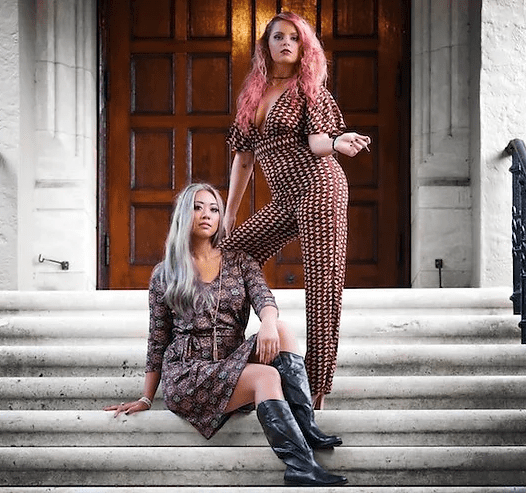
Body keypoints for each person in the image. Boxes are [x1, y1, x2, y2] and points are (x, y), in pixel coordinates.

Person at [104, 183, 347, 486]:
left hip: (231, 361)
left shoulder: (240, 261)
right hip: (189, 374)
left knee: (281, 329)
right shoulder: (165, 273)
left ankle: (306, 426)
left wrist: (268, 323)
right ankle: (300, 465)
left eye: (214, 208)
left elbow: (264, 299)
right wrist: (146, 396)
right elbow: (157, 339)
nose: (206, 214)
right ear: (183, 214)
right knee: (266, 377)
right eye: (197, 206)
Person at [221, 11, 371, 410]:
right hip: (286, 198)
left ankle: (316, 392)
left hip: (320, 186)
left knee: (322, 289)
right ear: (266, 46)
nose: (286, 43)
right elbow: (242, 160)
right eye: (277, 37)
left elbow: (319, 140)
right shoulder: (252, 95)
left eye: (294, 37)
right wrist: (229, 214)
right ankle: (225, 355)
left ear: (303, 46)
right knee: (231, 255)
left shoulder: (310, 90)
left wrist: (339, 143)